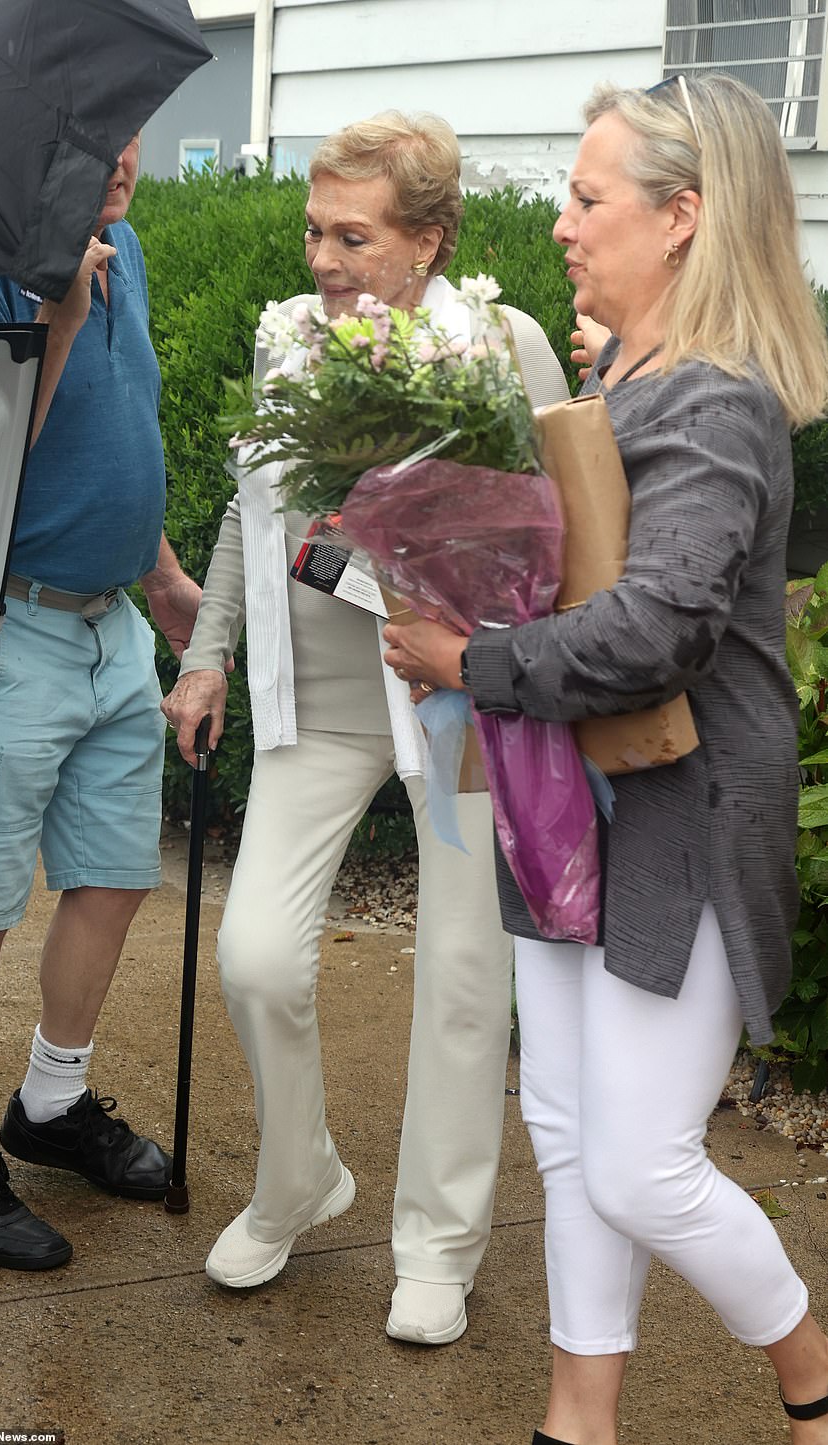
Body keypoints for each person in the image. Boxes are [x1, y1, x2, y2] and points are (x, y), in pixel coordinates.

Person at [380, 74, 828, 1441]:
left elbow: (656, 628)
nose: (562, 224)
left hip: (677, 820)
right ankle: (579, 1422)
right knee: (569, 1137)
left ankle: (814, 1374)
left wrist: (474, 664)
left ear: (681, 217)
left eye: (587, 198)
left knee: (637, 1165)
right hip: (572, 799)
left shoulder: (713, 402)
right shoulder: (619, 373)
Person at [161, 111, 570, 1345]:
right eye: (311, 231)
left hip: (450, 697)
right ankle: (298, 1174)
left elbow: (566, 522)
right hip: (322, 697)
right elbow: (245, 512)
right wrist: (210, 650)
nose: (322, 260)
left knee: (457, 976)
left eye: (352, 234)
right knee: (255, 955)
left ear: (431, 238)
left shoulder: (503, 345)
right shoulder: (288, 337)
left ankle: (437, 1244)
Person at [0, 135, 202, 1271]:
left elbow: (120, 437)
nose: (121, 156)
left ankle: (51, 1101)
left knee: (117, 876)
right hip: (8, 627)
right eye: (87, 135)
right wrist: (58, 317)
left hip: (111, 625)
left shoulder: (120, 243)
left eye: (130, 126)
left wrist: (166, 576)